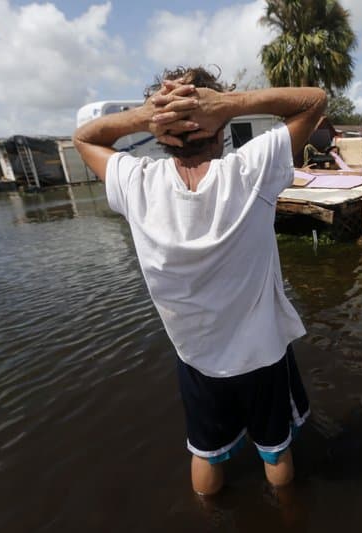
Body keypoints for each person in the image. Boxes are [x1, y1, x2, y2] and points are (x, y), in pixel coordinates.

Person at [73, 66, 326, 496]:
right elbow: (314, 100)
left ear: (161, 130)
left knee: (205, 453)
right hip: (261, 357)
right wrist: (227, 104)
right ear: (218, 122)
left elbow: (86, 137)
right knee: (276, 452)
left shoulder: (136, 183)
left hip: (198, 361)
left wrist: (144, 115)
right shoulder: (251, 173)